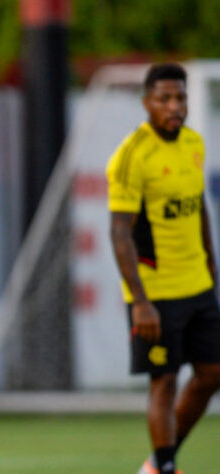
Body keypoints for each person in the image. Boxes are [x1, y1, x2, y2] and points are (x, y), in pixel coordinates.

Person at [106, 63, 220, 474]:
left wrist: (211, 266)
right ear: (147, 103)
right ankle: (166, 467)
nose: (175, 106)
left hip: (198, 284)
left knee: (212, 373)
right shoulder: (132, 156)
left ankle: (157, 462)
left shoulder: (193, 142)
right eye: (165, 99)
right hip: (155, 293)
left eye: (181, 98)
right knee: (165, 379)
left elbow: (198, 206)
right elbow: (119, 233)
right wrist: (140, 302)